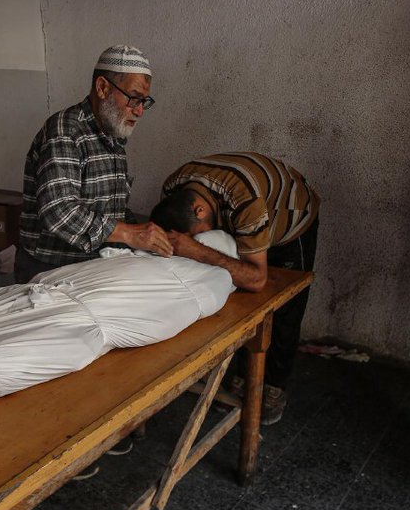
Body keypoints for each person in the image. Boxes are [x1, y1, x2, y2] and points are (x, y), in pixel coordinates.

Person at [150, 152, 320, 425]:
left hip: (289, 218)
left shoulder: (246, 203)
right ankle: (244, 374)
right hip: (245, 213)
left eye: (200, 234)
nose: (203, 239)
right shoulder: (174, 188)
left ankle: (275, 386)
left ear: (200, 210)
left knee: (284, 306)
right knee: (235, 297)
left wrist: (199, 250)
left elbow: (257, 279)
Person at [16, 45, 172, 284]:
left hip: (91, 265)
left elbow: (110, 210)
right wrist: (130, 234)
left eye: (144, 101)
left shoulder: (113, 137)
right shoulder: (65, 131)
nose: (139, 111)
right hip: (49, 270)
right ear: (102, 88)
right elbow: (59, 211)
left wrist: (150, 234)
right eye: (133, 98)